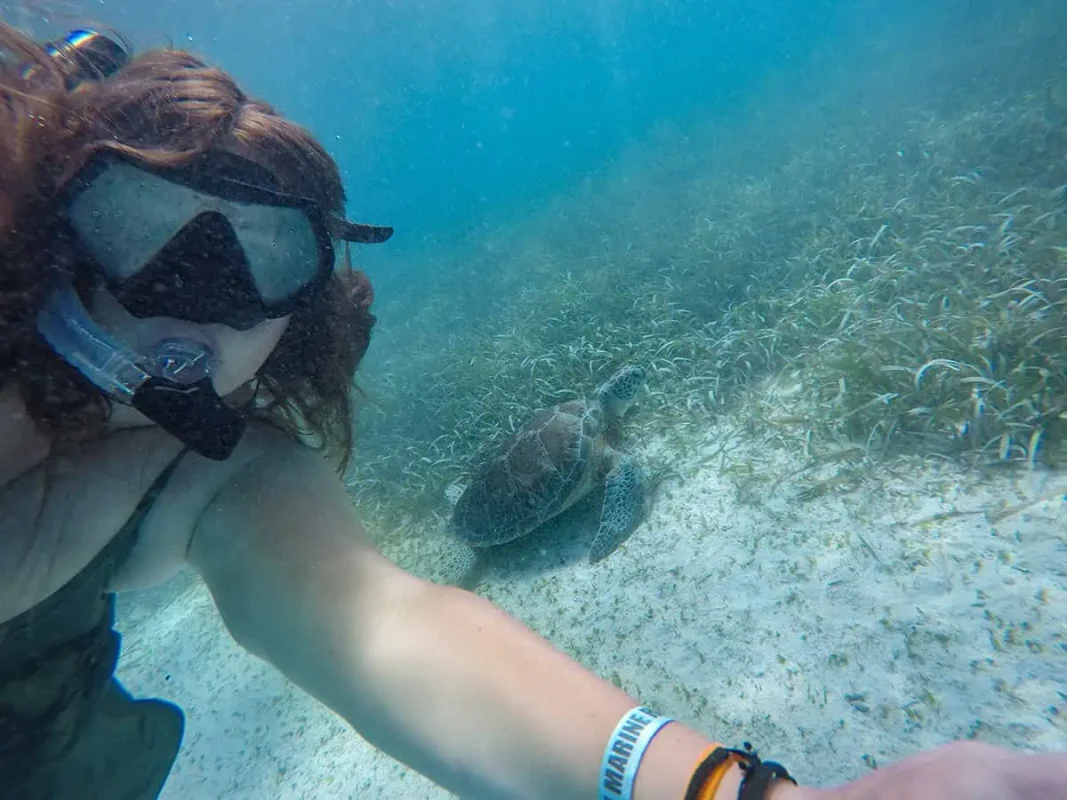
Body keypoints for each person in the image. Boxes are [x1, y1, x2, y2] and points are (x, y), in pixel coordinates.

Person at [0, 24, 1063, 800]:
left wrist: (734, 796)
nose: (197, 290)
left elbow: (395, 629)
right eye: (145, 225)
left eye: (265, 255)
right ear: (56, 222)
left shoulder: (225, 472)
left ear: (304, 309)